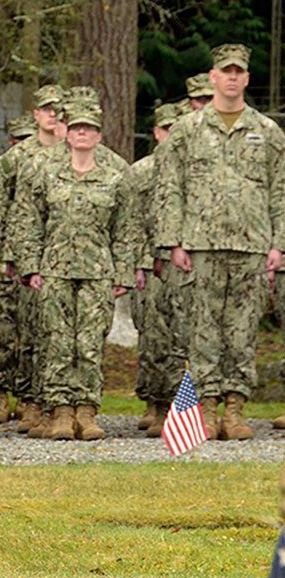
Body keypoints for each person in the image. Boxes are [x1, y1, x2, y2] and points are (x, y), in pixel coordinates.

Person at [156, 43, 285, 440]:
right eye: (225, 71)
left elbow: (279, 191)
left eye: (238, 72)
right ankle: (206, 410)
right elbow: (170, 188)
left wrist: (279, 243)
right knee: (203, 331)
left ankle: (235, 409)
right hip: (201, 244)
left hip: (251, 244)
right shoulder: (187, 131)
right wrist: (173, 241)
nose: (232, 77)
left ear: (247, 79)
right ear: (213, 76)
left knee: (243, 331)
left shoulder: (267, 132)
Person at [9, 96, 135, 440]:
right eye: (76, 127)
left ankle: (87, 411)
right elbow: (29, 220)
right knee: (57, 341)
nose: (82, 133)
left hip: (98, 272)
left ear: (98, 135)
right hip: (55, 270)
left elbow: (125, 229)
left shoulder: (115, 176)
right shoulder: (46, 171)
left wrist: (123, 273)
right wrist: (30, 266)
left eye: (89, 129)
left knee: (90, 343)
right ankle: (60, 412)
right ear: (68, 133)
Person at [0, 85, 63, 429]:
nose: (53, 115)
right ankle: (9, 396)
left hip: (58, 256)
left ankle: (41, 401)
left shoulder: (73, 153)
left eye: (59, 110)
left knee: (47, 333)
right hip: (16, 258)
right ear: (36, 114)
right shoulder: (17, 158)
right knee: (12, 332)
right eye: (47, 109)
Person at [130, 102, 184, 435]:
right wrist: (136, 263)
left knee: (179, 338)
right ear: (156, 133)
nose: (171, 135)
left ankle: (176, 404)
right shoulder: (141, 171)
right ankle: (153, 401)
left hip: (181, 264)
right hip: (150, 265)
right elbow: (132, 222)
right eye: (166, 129)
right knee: (151, 336)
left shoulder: (191, 170)